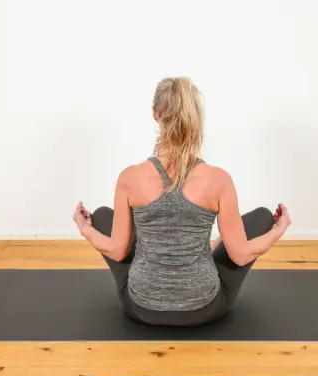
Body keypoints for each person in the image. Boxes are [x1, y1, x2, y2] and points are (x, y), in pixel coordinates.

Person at [73, 77, 291, 326]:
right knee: (262, 218)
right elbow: (240, 256)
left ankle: (171, 268)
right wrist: (278, 230)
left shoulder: (129, 178)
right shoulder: (218, 180)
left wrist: (85, 228)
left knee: (102, 216)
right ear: (195, 118)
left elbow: (118, 250)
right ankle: (205, 254)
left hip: (142, 307)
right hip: (204, 308)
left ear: (155, 115)